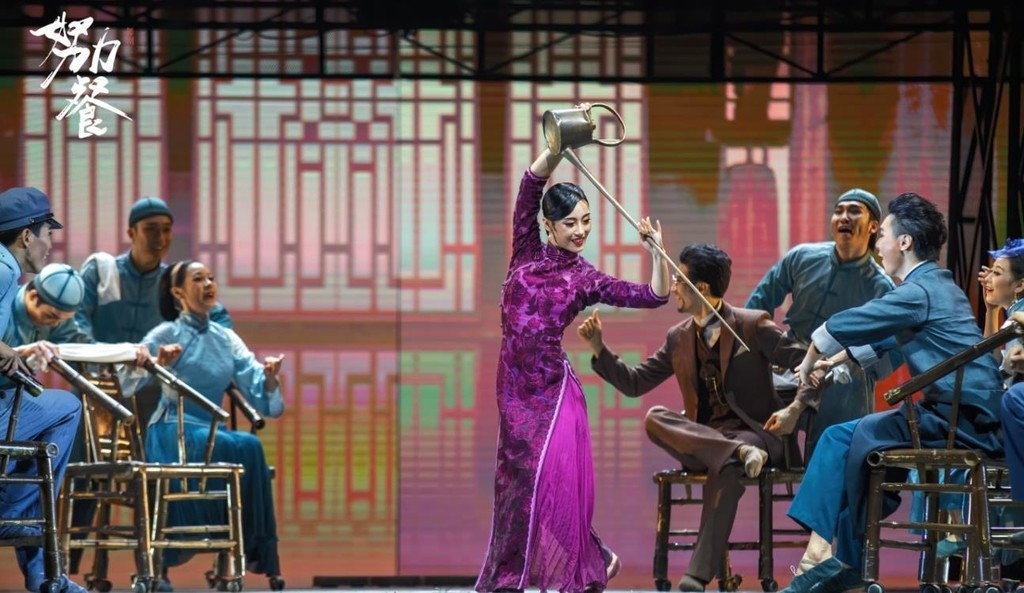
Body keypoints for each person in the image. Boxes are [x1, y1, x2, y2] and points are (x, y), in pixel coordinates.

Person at [779, 193, 1004, 593]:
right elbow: (889, 336)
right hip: (964, 416)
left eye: (882, 234)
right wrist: (835, 361)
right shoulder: (936, 285)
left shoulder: (918, 291)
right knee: (848, 443)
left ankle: (826, 555)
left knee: (841, 438)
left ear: (904, 242)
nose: (878, 243)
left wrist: (814, 354)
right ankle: (838, 558)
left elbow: (860, 319)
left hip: (960, 421)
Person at [475, 144, 670, 593]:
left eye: (586, 221)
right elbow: (531, 183)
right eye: (570, 223)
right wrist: (557, 143)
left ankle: (588, 562)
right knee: (516, 487)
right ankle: (536, 571)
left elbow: (652, 295)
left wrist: (657, 253)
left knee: (553, 487)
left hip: (554, 391)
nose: (580, 231)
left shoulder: (584, 277)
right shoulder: (525, 250)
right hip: (513, 389)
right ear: (548, 225)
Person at [576, 243, 809, 592]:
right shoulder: (679, 337)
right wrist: (599, 348)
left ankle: (695, 578)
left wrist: (795, 409)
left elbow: (806, 364)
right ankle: (735, 455)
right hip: (706, 440)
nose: (672, 288)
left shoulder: (752, 325)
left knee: (727, 467)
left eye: (678, 281)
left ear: (700, 288)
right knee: (656, 417)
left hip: (752, 435)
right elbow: (636, 383)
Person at [139, 259, 284, 588]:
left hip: (209, 429)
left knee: (250, 444)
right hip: (172, 428)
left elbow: (255, 382)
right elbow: (128, 377)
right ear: (178, 293)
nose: (208, 285)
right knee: (232, 444)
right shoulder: (165, 333)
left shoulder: (226, 338)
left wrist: (269, 377)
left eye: (211, 278)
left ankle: (241, 551)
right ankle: (172, 554)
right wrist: (157, 363)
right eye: (198, 279)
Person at [745, 188, 896, 447]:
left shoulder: (882, 287)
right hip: (791, 363)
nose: (844, 217)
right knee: (751, 403)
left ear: (873, 226)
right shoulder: (802, 257)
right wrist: (765, 352)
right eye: (838, 211)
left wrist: (854, 365)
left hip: (843, 376)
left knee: (838, 414)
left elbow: (895, 346)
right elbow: (757, 307)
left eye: (854, 211)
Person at [75, 197, 232, 429]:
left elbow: (216, 317)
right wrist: (99, 363)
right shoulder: (102, 272)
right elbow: (76, 322)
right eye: (150, 229)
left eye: (166, 230)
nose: (160, 238)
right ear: (131, 233)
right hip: (95, 387)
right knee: (83, 450)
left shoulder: (173, 284)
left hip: (152, 395)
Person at [0, 187, 89, 593]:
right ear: (26, 236)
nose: (50, 245)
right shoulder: (4, 270)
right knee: (67, 406)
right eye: (47, 234)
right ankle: (12, 515)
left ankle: (44, 574)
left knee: (42, 433)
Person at [4, 262, 91, 351]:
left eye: (63, 320)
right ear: (33, 296)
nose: (55, 324)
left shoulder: (59, 317)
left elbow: (71, 339)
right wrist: (20, 352)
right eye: (50, 316)